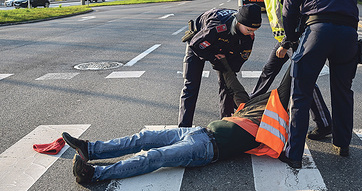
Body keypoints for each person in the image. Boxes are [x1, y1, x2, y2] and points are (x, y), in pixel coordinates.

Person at [63, 58, 294, 184]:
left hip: (204, 149)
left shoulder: (272, 120)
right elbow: (235, 86)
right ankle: (90, 148)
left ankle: (94, 175)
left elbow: (286, 85)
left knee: (154, 157)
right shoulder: (248, 107)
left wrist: (300, 52)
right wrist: (221, 62)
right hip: (197, 133)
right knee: (144, 138)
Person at [281, 0, 359, 166]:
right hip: (348, 34)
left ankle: (294, 154)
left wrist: (292, 38)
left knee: (301, 94)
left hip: (317, 30)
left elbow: (289, 11)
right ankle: (343, 144)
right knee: (343, 91)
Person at [251, 0, 332, 140]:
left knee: (304, 81)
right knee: (268, 72)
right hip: (283, 40)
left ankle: (324, 123)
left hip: (295, 40)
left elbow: (297, 15)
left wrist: (287, 43)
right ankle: (250, 108)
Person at [178, 4, 262, 127]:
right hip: (200, 42)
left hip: (225, 48)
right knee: (191, 85)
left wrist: (228, 70)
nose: (251, 33)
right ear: (238, 22)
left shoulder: (249, 35)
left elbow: (240, 59)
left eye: (254, 31)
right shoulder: (218, 26)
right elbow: (196, 45)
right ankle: (183, 127)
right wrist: (213, 58)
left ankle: (225, 124)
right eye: (249, 30)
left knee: (227, 87)